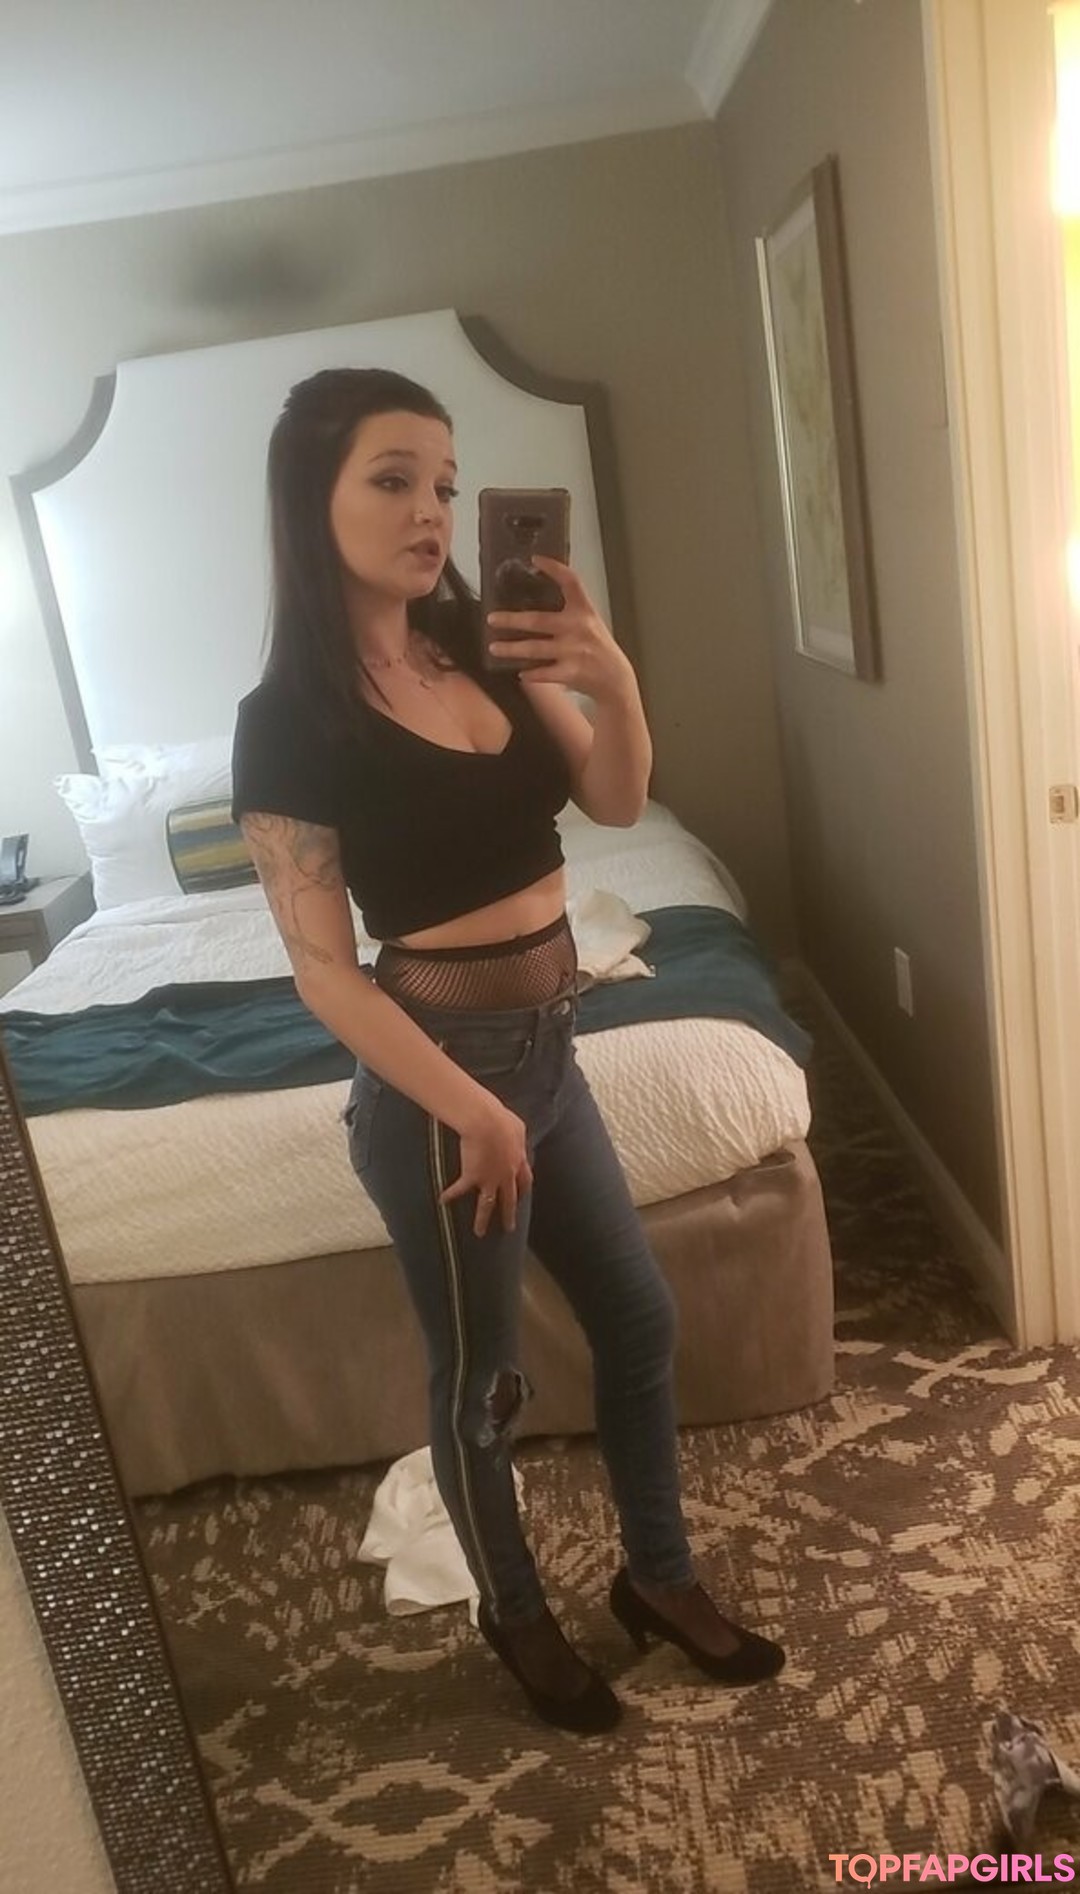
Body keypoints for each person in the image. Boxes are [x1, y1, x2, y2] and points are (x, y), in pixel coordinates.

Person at [231, 366, 785, 1735]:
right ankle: (516, 1610)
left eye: (445, 484)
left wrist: (614, 679)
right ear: (310, 499)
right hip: (439, 1084)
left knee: (639, 1319)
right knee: (482, 1379)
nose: (431, 511)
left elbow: (615, 797)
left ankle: (657, 1578)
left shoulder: (481, 640)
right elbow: (323, 969)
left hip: (551, 1048)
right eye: (393, 480)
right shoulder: (287, 719)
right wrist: (474, 1111)